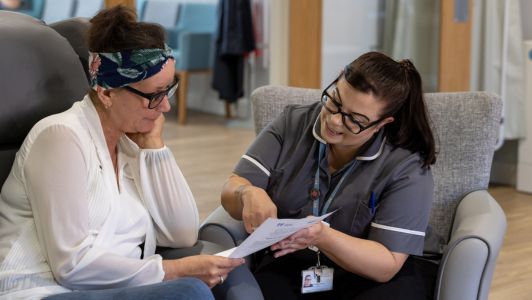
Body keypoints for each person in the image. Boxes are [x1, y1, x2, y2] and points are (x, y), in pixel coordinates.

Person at [0, 6, 244, 300]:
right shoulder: (60, 137)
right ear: (106, 93)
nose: (165, 107)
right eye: (154, 96)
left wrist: (155, 147)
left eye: (169, 90)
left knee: (228, 274)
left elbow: (183, 234)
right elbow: (71, 265)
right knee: (189, 290)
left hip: (110, 290)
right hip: (43, 291)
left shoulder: (132, 143)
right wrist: (174, 270)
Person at [221, 52, 437, 299]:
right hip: (293, 264)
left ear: (382, 124)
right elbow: (232, 187)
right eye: (334, 102)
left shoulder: (406, 165)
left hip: (371, 274)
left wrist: (323, 236)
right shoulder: (293, 123)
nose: (334, 122)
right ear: (336, 82)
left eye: (354, 120)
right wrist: (247, 192)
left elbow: (387, 263)